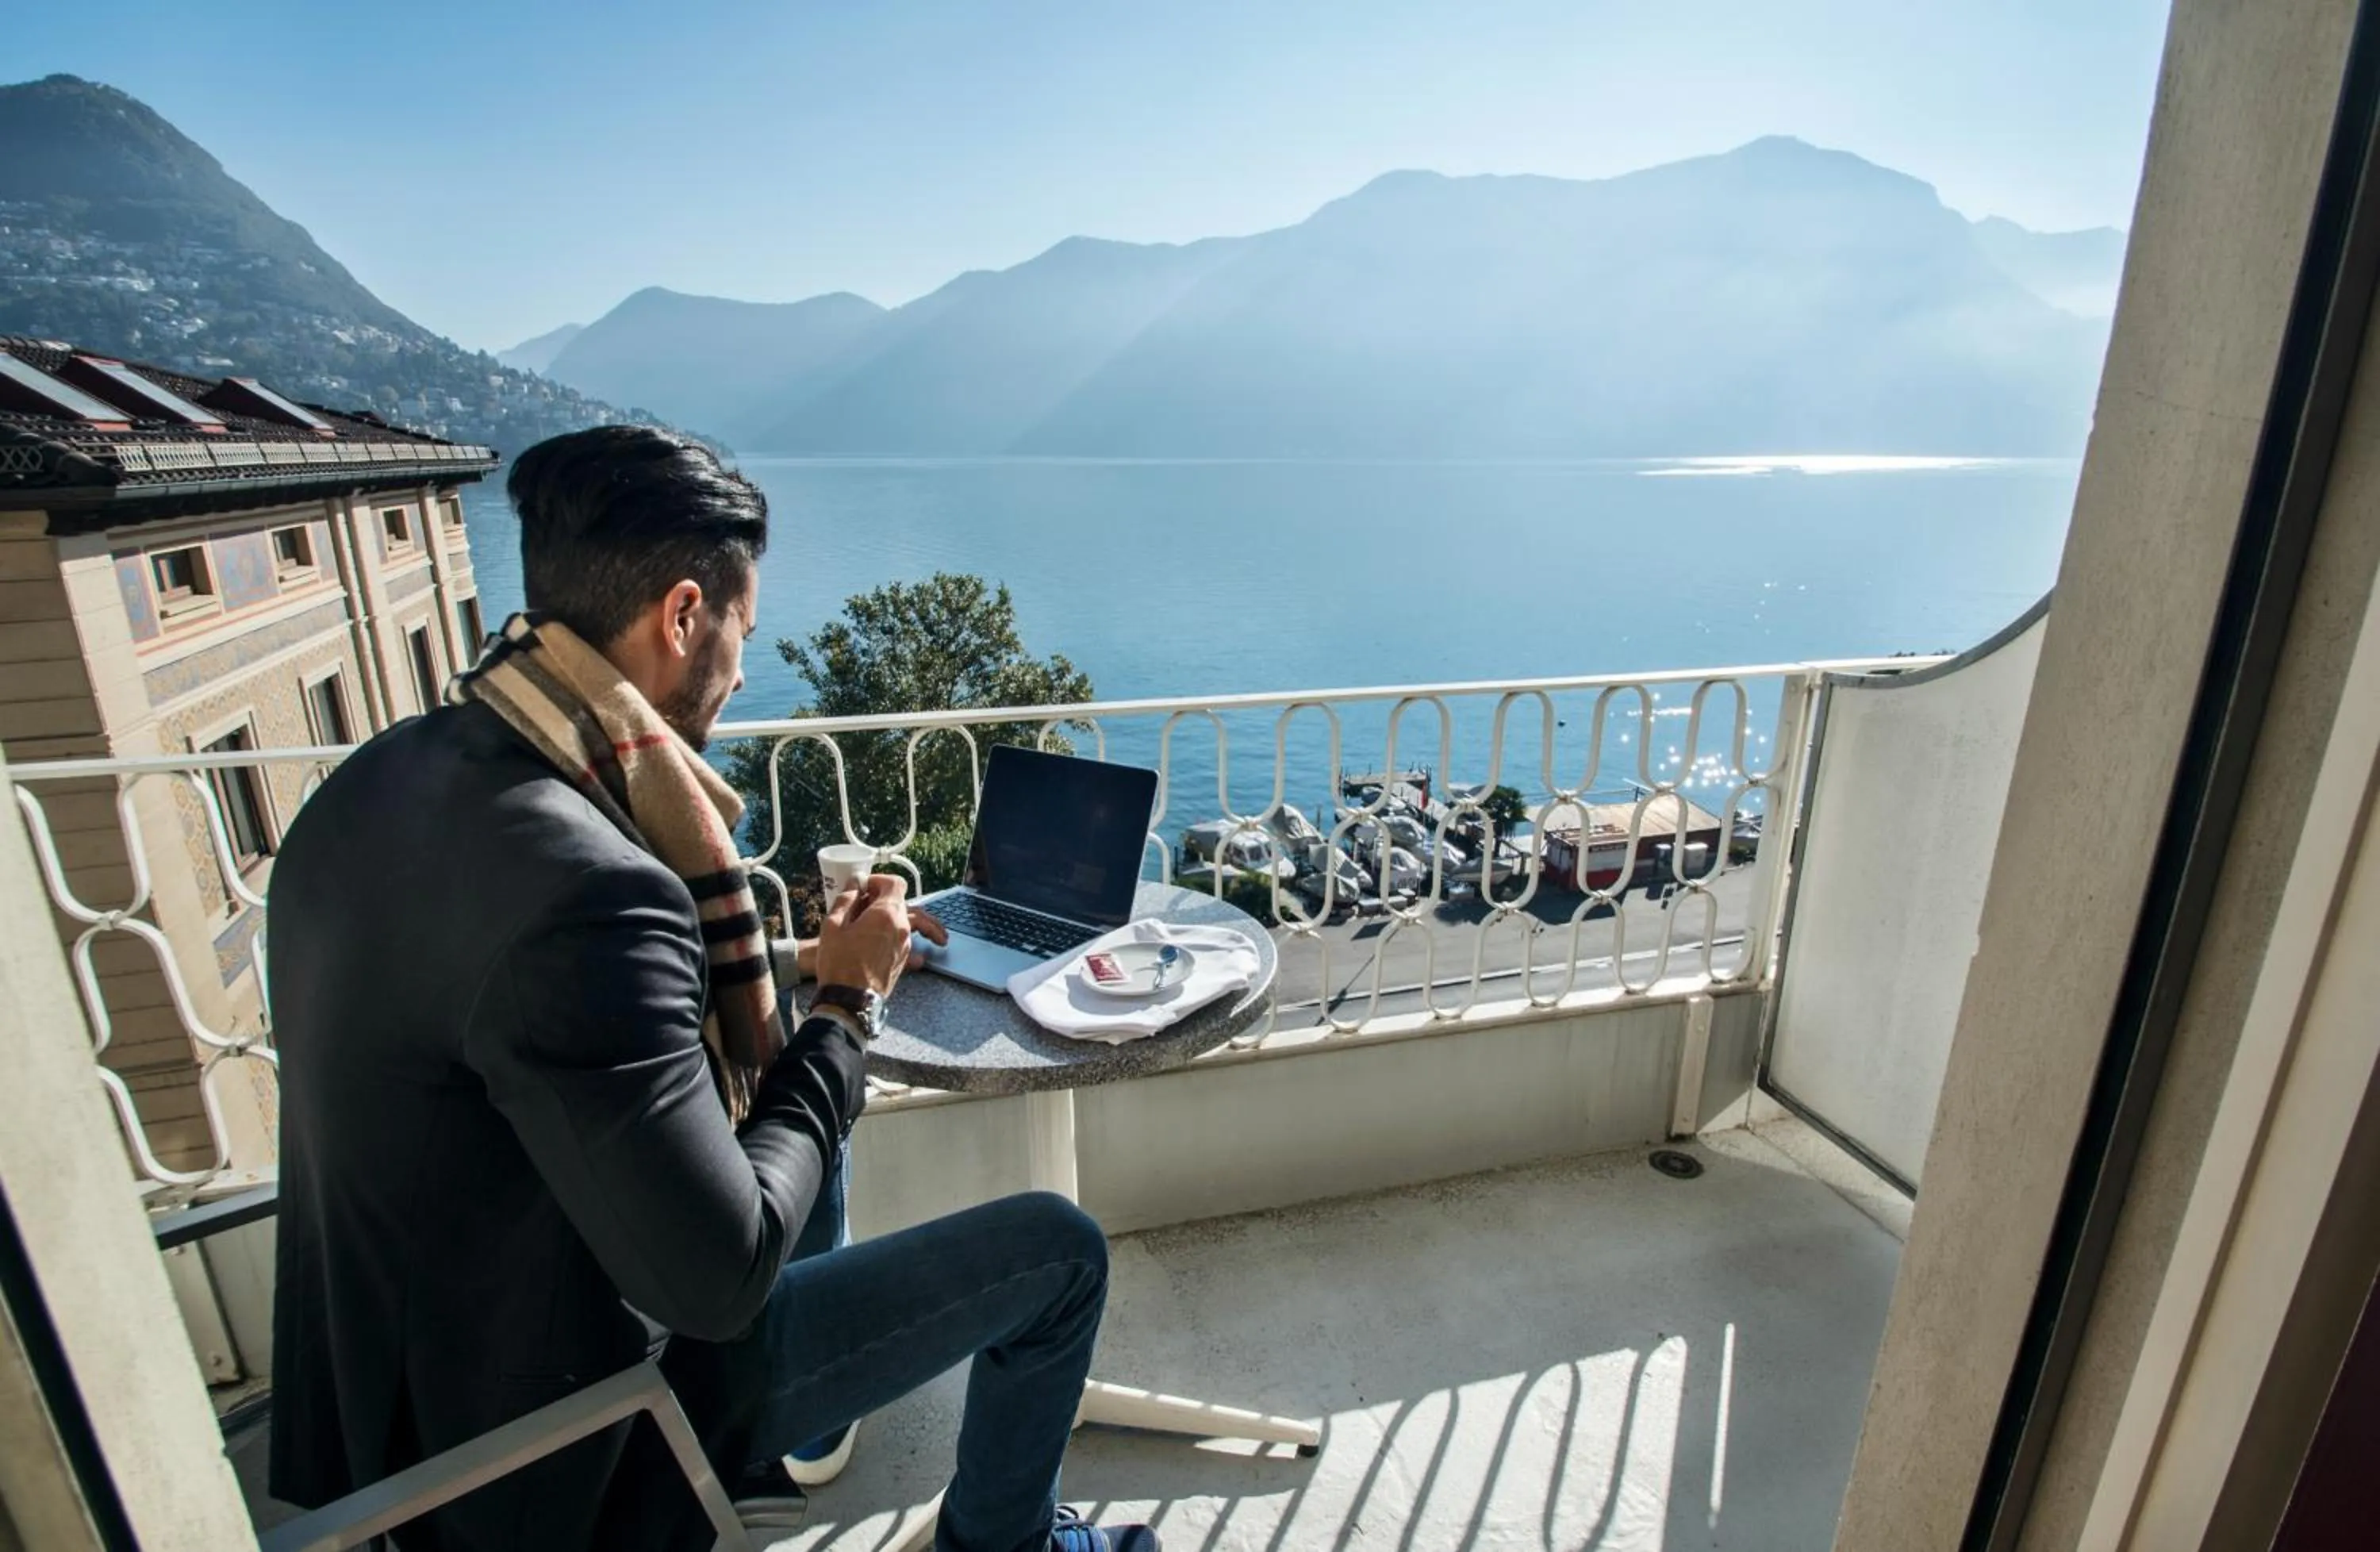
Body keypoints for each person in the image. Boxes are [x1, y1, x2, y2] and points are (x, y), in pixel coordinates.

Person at [267, 426, 1157, 1552]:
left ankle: (821, 1432)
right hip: (569, 1430)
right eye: (743, 627)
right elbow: (723, 1279)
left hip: (385, 1386)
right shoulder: (586, 892)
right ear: (683, 616)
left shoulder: (387, 779)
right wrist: (846, 1008)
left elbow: (536, 1028)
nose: (739, 668)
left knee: (805, 1116)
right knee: (1057, 1251)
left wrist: (804, 972)